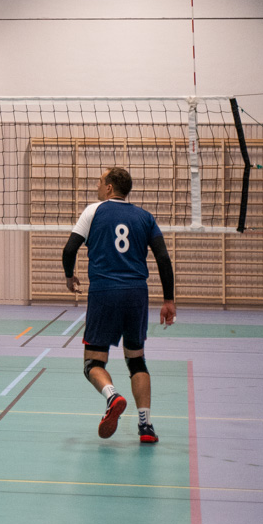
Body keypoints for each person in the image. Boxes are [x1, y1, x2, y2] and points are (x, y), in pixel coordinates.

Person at [63, 167, 176, 443]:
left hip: (104, 292)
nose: (97, 185)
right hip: (136, 293)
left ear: (110, 187)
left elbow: (69, 250)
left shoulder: (93, 211)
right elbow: (163, 258)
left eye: (100, 181)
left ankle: (112, 396)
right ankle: (146, 426)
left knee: (93, 362)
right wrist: (168, 300)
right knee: (136, 360)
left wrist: (69, 276)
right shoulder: (145, 217)